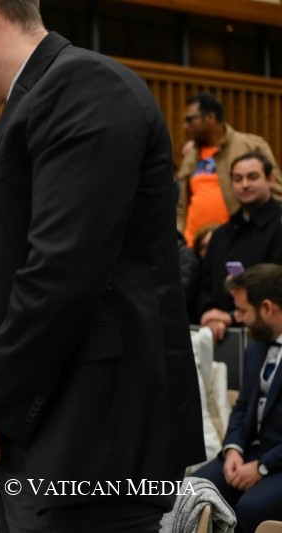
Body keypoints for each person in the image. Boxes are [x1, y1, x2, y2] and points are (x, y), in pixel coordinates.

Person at [0, 0, 205, 530]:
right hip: (43, 427)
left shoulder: (83, 86)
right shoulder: (35, 99)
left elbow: (60, 275)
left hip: (92, 435)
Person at [196, 263, 282, 533]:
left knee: (250, 508)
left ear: (267, 308)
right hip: (252, 451)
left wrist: (262, 468)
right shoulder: (256, 346)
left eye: (243, 311)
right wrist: (233, 448)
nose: (238, 318)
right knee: (193, 490)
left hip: (277, 458)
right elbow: (242, 406)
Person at [177, 92, 282, 247]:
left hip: (238, 243)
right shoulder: (191, 155)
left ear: (210, 117)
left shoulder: (250, 146)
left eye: (190, 120)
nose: (185, 126)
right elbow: (181, 205)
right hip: (193, 247)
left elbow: (277, 192)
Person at [198, 152, 282, 341]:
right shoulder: (220, 234)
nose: (244, 184)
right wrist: (210, 315)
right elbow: (204, 284)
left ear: (270, 180)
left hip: (268, 338)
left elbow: (277, 287)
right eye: (237, 179)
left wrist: (233, 316)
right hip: (216, 334)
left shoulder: (279, 226)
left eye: (252, 177)